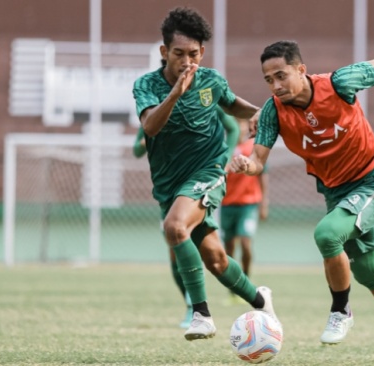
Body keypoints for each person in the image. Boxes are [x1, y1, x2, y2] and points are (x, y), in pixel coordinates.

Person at [229, 40, 374, 363]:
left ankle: (341, 310)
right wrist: (244, 165)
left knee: (326, 234)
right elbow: (258, 161)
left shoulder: (339, 83)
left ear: (301, 70)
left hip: (371, 182)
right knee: (367, 271)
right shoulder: (272, 113)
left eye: (281, 76)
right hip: (335, 193)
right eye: (268, 80)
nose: (276, 86)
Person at [132, 7, 275, 341]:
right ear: (164, 52)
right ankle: (260, 300)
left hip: (209, 170)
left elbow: (231, 103)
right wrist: (176, 93)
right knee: (216, 259)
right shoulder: (147, 85)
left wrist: (263, 113)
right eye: (179, 54)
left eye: (193, 54)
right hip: (170, 185)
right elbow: (150, 126)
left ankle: (201, 314)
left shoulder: (210, 79)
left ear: (202, 53)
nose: (186, 61)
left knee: (174, 227)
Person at [133, 107, 240, 328]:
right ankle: (191, 306)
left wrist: (225, 158)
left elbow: (233, 128)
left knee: (213, 253)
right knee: (175, 251)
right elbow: (136, 149)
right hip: (169, 190)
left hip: (200, 183)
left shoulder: (206, 98)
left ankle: (240, 299)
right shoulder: (153, 110)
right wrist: (144, 144)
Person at [221, 118, 269, 305]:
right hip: (227, 205)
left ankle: (247, 282)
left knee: (246, 243)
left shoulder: (252, 148)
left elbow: (263, 175)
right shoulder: (225, 148)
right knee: (228, 249)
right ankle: (234, 289)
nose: (240, 127)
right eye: (236, 123)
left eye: (243, 123)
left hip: (249, 204)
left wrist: (264, 203)